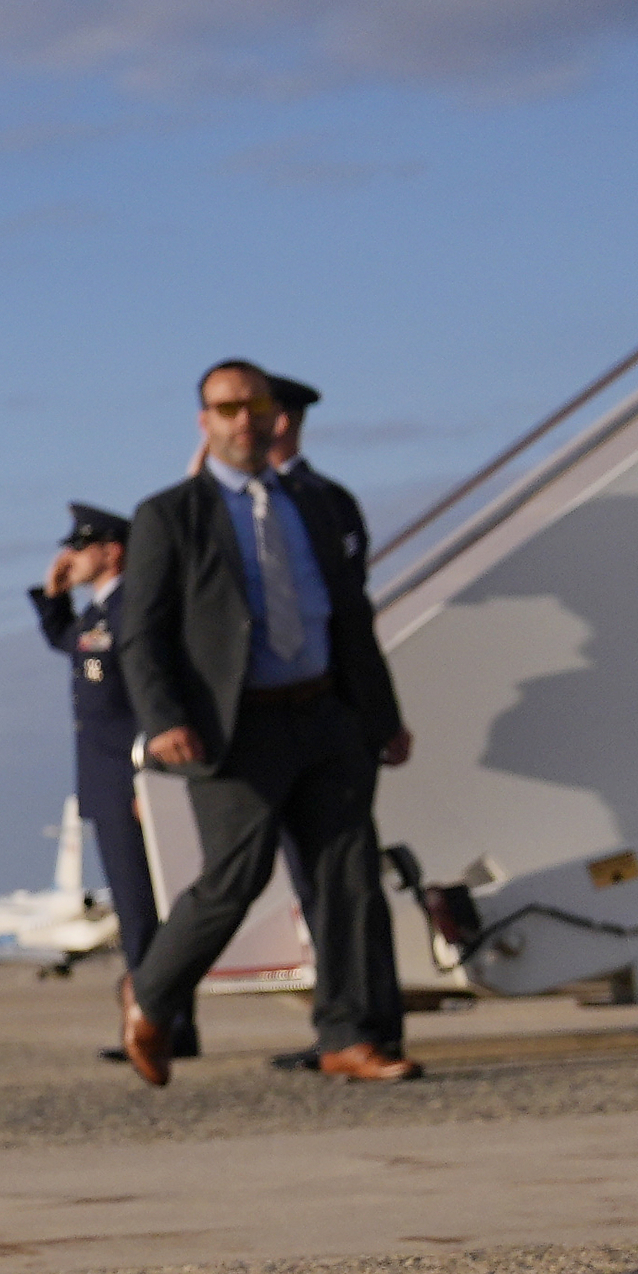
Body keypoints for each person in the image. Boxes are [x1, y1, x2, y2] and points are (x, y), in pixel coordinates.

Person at [111, 363, 417, 1086]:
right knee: (234, 879)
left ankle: (348, 1035)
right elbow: (141, 634)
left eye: (255, 406)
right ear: (204, 422)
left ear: (276, 415)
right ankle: (151, 995)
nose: (242, 420)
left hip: (327, 717)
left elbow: (352, 619)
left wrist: (382, 716)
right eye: (226, 408)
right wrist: (163, 720)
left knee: (348, 879)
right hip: (234, 729)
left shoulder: (325, 504)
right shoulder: (169, 515)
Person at [36, 501, 185, 1061]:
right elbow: (70, 645)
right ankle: (160, 1022)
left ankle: (160, 1023)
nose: (69, 558)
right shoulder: (98, 614)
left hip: (131, 780)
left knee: (146, 908)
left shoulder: (132, 609)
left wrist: (150, 777)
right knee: (133, 909)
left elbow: (151, 690)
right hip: (104, 781)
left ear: (112, 551)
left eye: (80, 548)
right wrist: (53, 599)